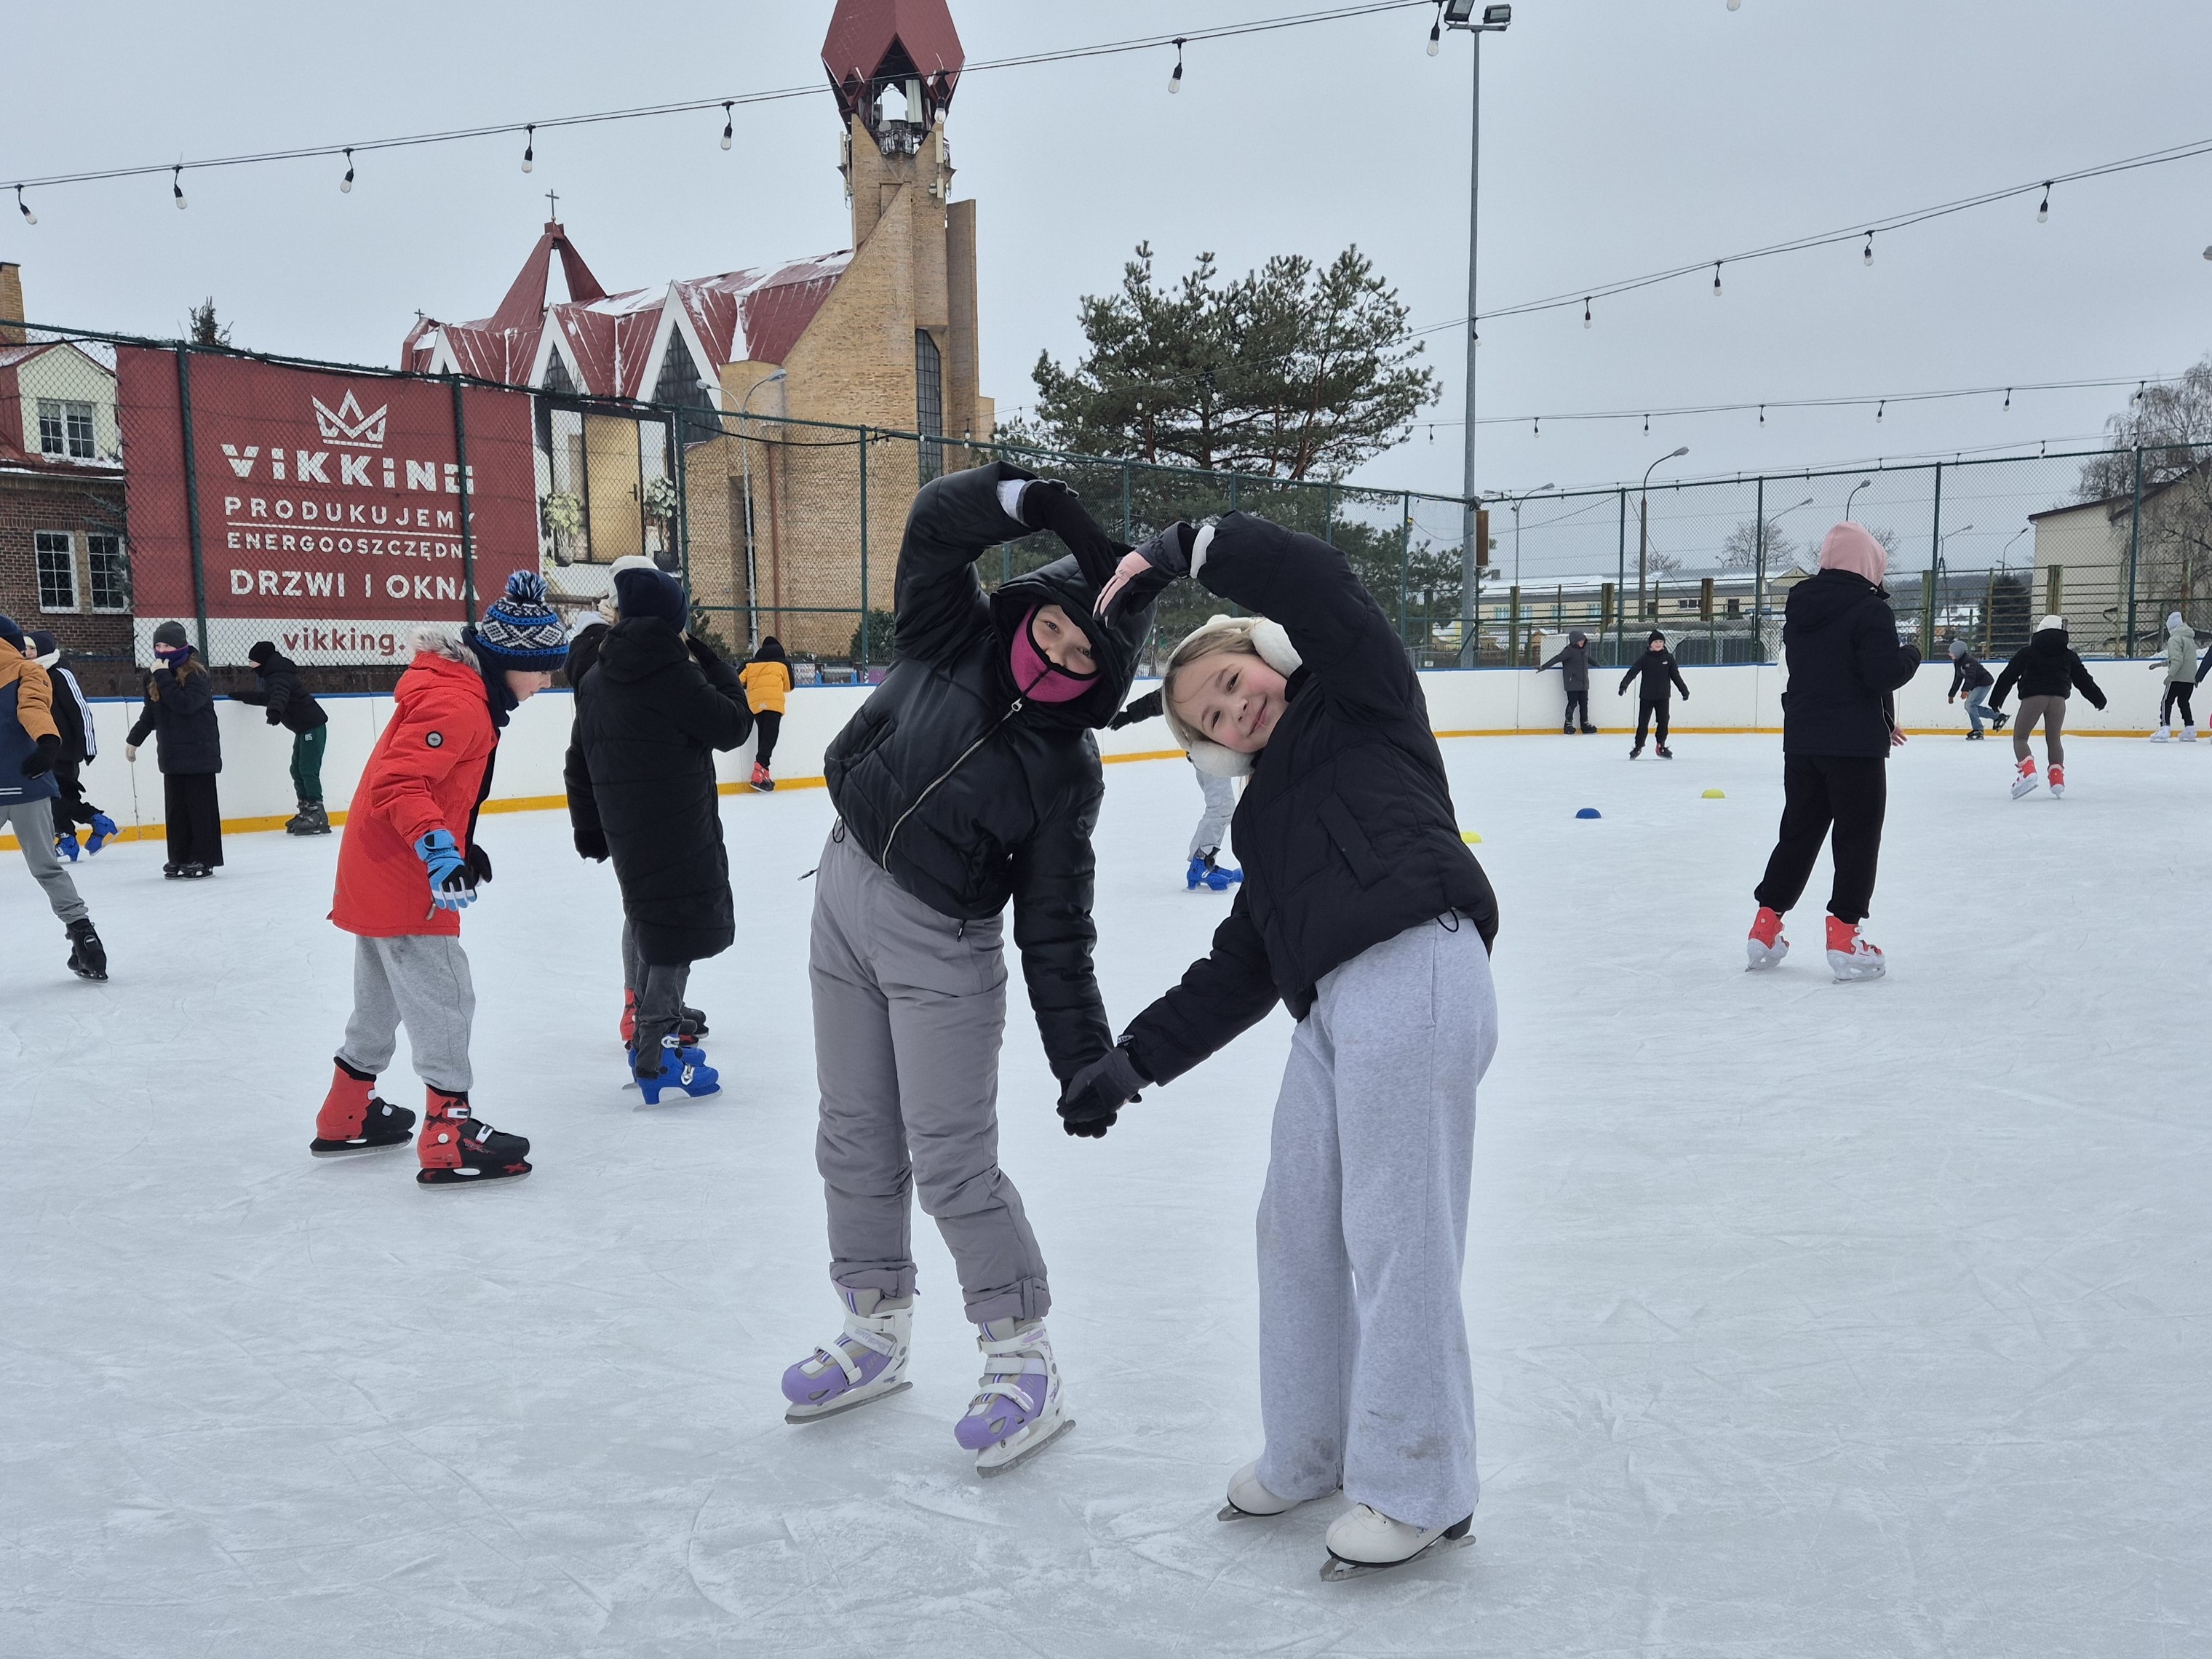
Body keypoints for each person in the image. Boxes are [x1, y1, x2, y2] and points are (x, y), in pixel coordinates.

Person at [1065, 511, 1502, 1579]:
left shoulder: (1359, 695)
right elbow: (1241, 966)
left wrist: (1188, 548)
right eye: (1213, 716)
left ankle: (1420, 1486)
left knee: (1399, 1235)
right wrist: (1130, 1061)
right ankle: (1311, 1451)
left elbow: (1321, 586)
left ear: (1266, 651)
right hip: (1333, 1006)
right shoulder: (1259, 822)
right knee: (1295, 1227)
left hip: (1417, 961)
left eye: (1233, 680)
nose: (1237, 708)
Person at [780, 462, 1169, 1478]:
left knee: (952, 1162)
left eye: (1086, 653)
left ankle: (1021, 1354)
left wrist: (1082, 1057)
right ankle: (874, 1326)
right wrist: (1030, 501)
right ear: (1031, 606)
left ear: (1108, 672)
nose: (1060, 654)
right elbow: (932, 528)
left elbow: (1056, 926)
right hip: (843, 889)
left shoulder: (1066, 769)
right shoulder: (948, 631)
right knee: (852, 1133)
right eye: (1056, 627)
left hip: (941, 948)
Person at [313, 570, 568, 1182]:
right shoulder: (459, 703)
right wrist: (438, 853)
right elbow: (401, 783)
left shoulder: (459, 691)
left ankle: (347, 1111)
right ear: (510, 661)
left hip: (377, 867)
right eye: (542, 670)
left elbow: (433, 785)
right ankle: (449, 1128)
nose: (547, 683)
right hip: (407, 876)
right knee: (445, 997)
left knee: (379, 1000)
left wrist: (457, 844)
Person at [565, 565, 752, 1102]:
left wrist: (592, 832)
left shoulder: (596, 679)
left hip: (627, 829)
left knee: (652, 922)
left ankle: (652, 1029)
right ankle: (658, 1051)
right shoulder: (673, 675)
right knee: (676, 929)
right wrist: (712, 661)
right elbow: (733, 726)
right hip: (678, 825)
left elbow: (579, 761)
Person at [1745, 523, 1921, 982]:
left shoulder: (1800, 607)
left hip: (1804, 741)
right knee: (1857, 839)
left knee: (1798, 834)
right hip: (1854, 750)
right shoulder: (1871, 609)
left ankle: (1765, 927)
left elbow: (1829, 672)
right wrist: (1912, 655)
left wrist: (1883, 720)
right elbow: (1880, 674)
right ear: (1868, 564)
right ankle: (1844, 937)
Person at [0, 616, 106, 980]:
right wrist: (47, 744)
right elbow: (33, 709)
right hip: (28, 784)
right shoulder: (28, 670)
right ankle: (85, 938)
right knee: (47, 867)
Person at [1108, 684, 1244, 890]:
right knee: (1221, 808)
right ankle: (1200, 863)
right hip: (1208, 750)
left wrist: (1129, 715)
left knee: (1221, 807)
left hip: (1211, 749)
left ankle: (1205, 862)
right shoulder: (1192, 680)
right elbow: (1162, 698)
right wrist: (1129, 715)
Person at [124, 621, 223, 877]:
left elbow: (185, 705)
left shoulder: (196, 675)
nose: (161, 650)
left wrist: (162, 676)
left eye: (167, 645)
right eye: (157, 645)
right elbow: (151, 713)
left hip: (199, 754)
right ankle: (179, 857)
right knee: (177, 810)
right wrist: (134, 740)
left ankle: (204, 859)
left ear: (180, 646)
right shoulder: (155, 676)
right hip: (172, 755)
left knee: (200, 809)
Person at [1990, 616, 2106, 799]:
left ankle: (2028, 772)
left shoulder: (2027, 653)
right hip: (2058, 701)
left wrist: (1995, 701)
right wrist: (2098, 699)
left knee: (2020, 737)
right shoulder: (2069, 655)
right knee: (2054, 739)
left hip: (2033, 698)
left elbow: (2008, 676)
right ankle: (2057, 779)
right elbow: (2083, 680)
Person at [27, 630, 117, 858]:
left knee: (54, 796)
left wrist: (88, 746)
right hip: (42, 747)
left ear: (44, 650)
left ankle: (87, 825)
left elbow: (80, 709)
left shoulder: (59, 673)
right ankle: (84, 827)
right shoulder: (29, 674)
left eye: (32, 648)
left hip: (64, 749)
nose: (27, 652)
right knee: (56, 797)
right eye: (25, 648)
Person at [235, 641, 333, 833]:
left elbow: (279, 696)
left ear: (262, 661)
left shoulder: (278, 676)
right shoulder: (276, 675)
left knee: (308, 769)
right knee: (296, 769)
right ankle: (306, 809)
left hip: (312, 727)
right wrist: (243, 696)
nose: (250, 665)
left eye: (252, 662)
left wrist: (274, 713)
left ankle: (318, 814)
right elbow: (269, 697)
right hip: (304, 729)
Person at [1617, 629, 1689, 757]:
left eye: (1661, 641)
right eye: (1656, 642)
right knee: (1643, 722)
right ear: (1650, 644)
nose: (1658, 644)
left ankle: (1661, 745)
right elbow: (1633, 672)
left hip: (1663, 696)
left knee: (1663, 721)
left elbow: (1676, 676)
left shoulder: (1668, 658)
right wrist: (1624, 685)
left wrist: (1684, 690)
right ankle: (1638, 746)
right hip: (1647, 696)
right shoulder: (1645, 658)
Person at [741, 636, 793, 792]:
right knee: (770, 736)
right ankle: (758, 771)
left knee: (764, 736)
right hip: (773, 702)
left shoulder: (750, 664)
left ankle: (765, 774)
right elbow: (789, 686)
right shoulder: (783, 664)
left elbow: (738, 679)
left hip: (755, 703)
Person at [1538, 628, 1602, 734]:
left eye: (1583, 640)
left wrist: (1597, 664)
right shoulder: (1569, 651)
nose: (1582, 642)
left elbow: (1588, 658)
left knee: (1584, 703)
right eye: (1580, 640)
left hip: (1583, 682)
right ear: (1574, 641)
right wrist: (1543, 667)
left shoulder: (1583, 650)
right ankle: (1568, 724)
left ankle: (1585, 724)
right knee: (1572, 703)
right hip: (1572, 683)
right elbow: (1557, 658)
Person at [1945, 638, 2005, 740]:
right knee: (1971, 706)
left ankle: (1978, 730)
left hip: (1983, 683)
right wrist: (1952, 694)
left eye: (1952, 652)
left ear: (1958, 652)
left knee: (1970, 705)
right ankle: (1998, 717)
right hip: (1975, 685)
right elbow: (1958, 678)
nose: (1949, 654)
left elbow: (1971, 677)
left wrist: (1965, 690)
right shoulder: (1958, 662)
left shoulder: (1968, 661)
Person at [2150, 612, 2197, 742]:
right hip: (2190, 678)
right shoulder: (2189, 638)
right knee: (2183, 702)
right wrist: (2161, 664)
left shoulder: (2174, 639)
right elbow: (2184, 658)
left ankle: (2164, 729)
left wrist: (2170, 676)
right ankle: (2190, 729)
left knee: (2166, 701)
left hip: (2177, 677)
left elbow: (2177, 660)